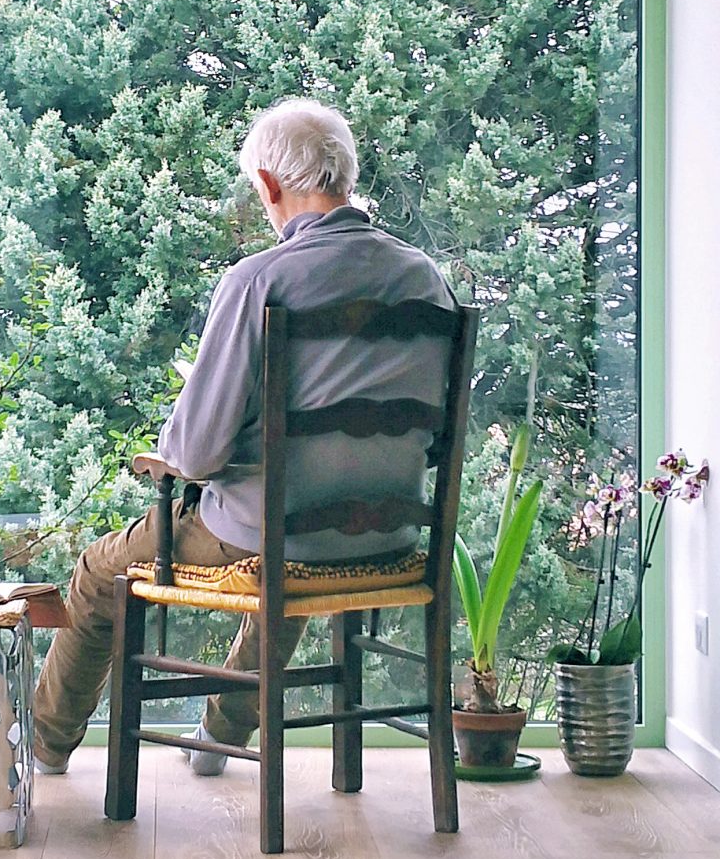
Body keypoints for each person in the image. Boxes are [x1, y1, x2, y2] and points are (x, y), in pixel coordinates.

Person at [31, 97, 455, 777]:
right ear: (344, 176)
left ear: (267, 184)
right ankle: (221, 735)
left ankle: (44, 747)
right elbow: (433, 438)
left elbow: (194, 455)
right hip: (388, 541)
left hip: (270, 539)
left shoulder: (259, 281)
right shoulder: (427, 281)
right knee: (290, 539)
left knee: (99, 570)